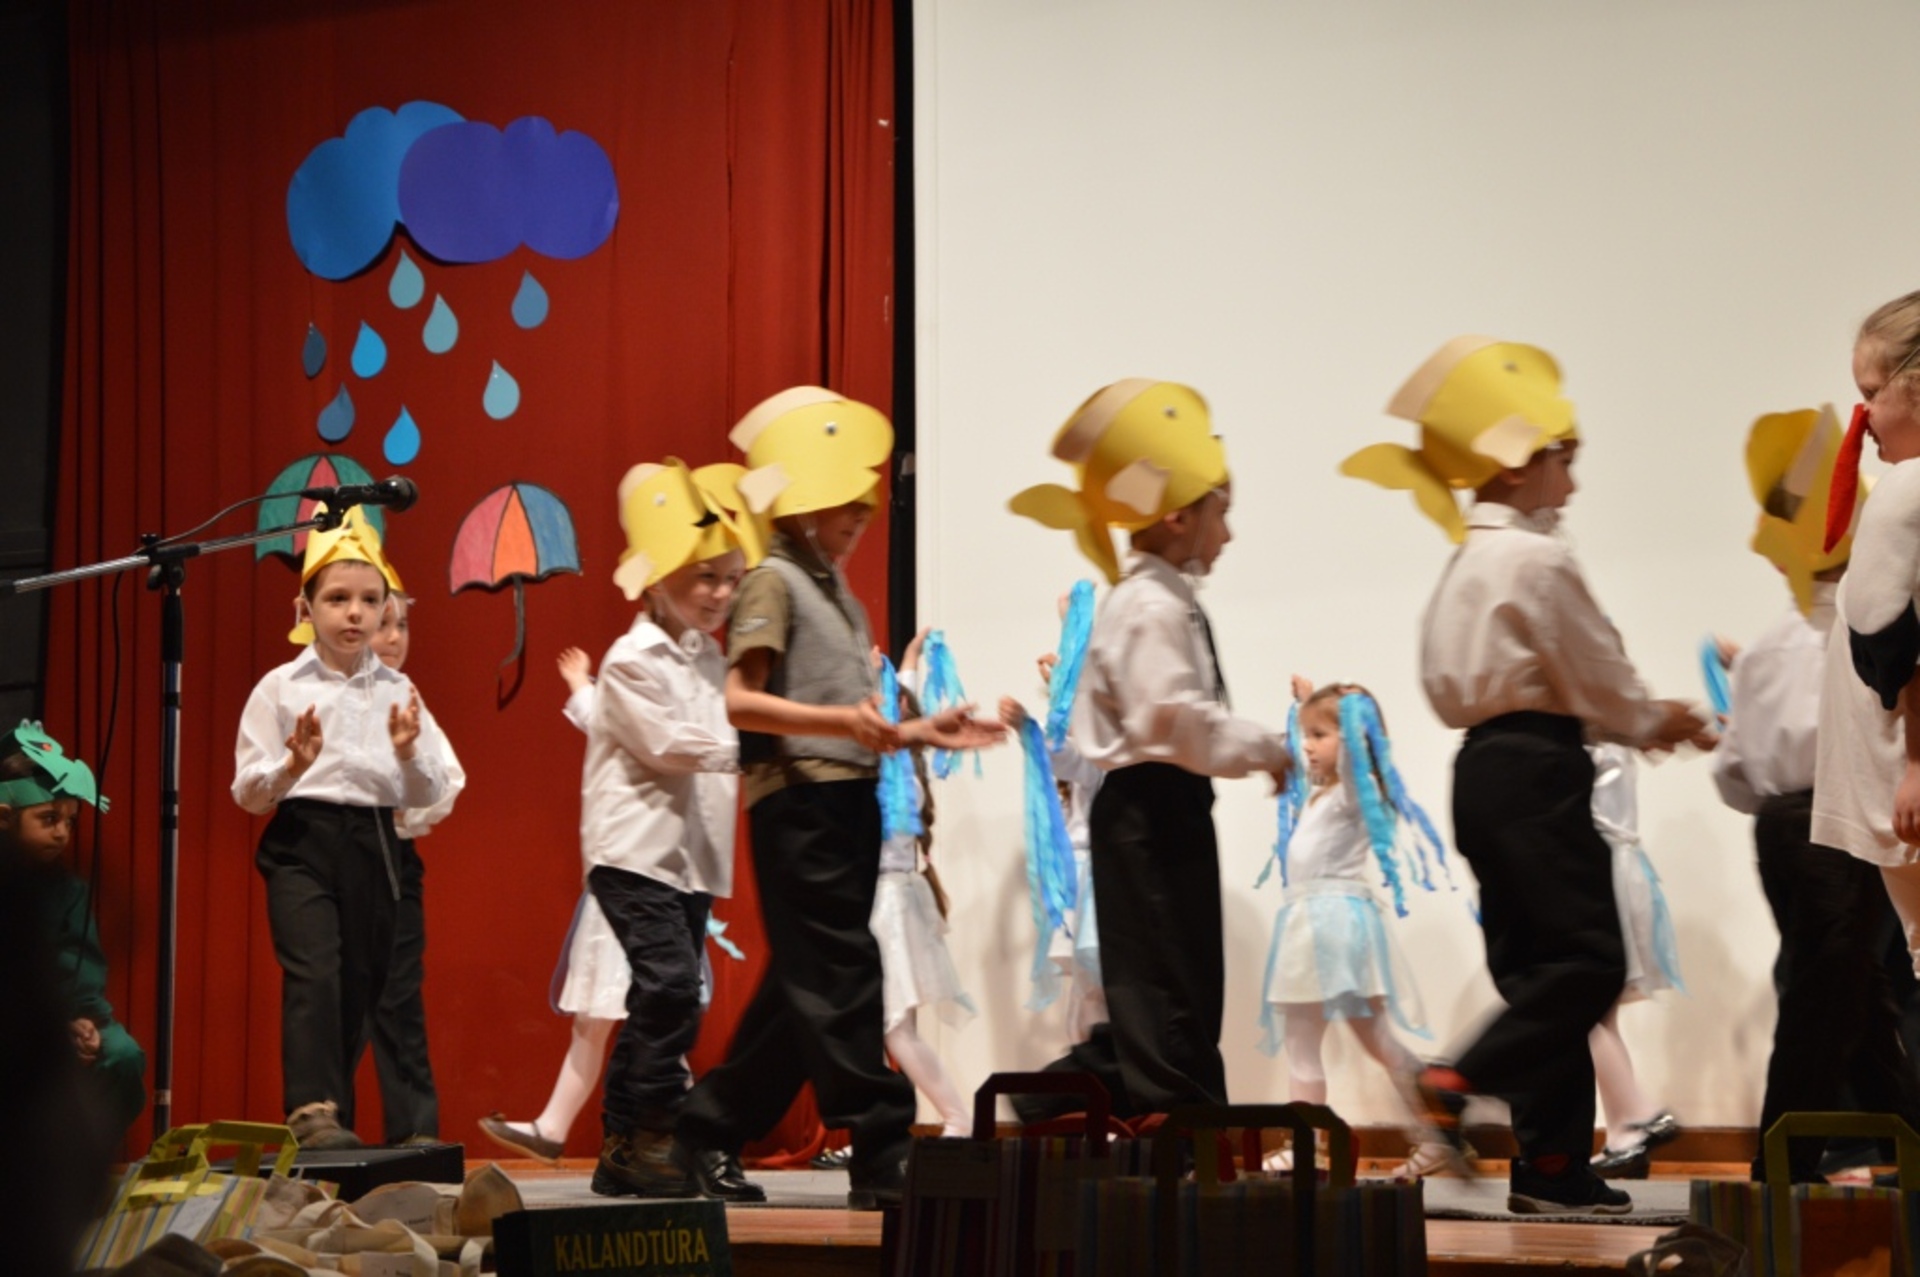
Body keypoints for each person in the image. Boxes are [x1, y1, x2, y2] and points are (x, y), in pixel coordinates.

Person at [1347, 335, 1712, 1214]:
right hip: (1538, 767)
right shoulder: (1536, 558)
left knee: (1538, 968)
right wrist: (1654, 718)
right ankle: (1453, 1081)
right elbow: (1591, 664)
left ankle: (1550, 1167)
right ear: (1515, 464)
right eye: (1564, 459)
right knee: (1588, 961)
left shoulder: (1465, 561)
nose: (1572, 484)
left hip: (1480, 768)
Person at [671, 387, 1004, 1211]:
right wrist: (844, 724)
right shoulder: (773, 582)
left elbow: (855, 724)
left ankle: (707, 1127)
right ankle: (883, 1143)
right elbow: (741, 702)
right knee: (845, 972)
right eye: (846, 498)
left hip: (846, 799)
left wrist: (923, 730)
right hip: (798, 804)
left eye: (865, 500)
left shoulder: (837, 594)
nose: (862, 513)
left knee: (806, 987)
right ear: (803, 500)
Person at [1010, 378, 1290, 1119]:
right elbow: (1171, 720)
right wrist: (1270, 747)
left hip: (1167, 802)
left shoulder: (1167, 600)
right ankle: (1181, 1140)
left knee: (1174, 983)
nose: (1226, 534)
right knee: (1167, 988)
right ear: (1176, 514)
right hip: (1148, 805)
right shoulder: (1148, 605)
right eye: (1219, 513)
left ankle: (1062, 1099)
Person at [1717, 402, 1920, 1183]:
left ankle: (1904, 1132)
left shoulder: (1765, 648)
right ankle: (1782, 1160)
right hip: (1834, 820)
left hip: (1777, 823)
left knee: (1853, 986)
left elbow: (1734, 774)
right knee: (1828, 987)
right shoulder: (1856, 629)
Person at [232, 505, 448, 1149]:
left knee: (363, 984)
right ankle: (310, 1110)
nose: (355, 613)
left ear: (386, 609)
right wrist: (290, 766)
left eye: (369, 600)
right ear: (306, 610)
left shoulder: (398, 690)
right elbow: (247, 794)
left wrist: (407, 754)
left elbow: (428, 792)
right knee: (315, 973)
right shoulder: (279, 687)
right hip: (303, 840)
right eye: (337, 599)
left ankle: (338, 1127)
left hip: (376, 841)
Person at [1256, 679, 1455, 1176]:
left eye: (1320, 735)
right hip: (1309, 922)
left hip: (1333, 924)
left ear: (1354, 738)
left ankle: (1436, 1130)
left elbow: (1354, 759)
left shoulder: (1354, 792)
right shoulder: (1322, 796)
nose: (1307, 746)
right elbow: (1311, 754)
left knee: (1368, 1039)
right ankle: (1312, 1142)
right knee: (1310, 1041)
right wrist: (1305, 709)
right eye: (1306, 735)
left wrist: (1342, 713)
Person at [477, 646, 619, 1164]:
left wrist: (581, 683)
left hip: (633, 877)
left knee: (637, 1020)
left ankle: (701, 1131)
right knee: (609, 1019)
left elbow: (606, 721)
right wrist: (582, 686)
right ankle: (553, 1126)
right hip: (619, 875)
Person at [1, 721, 143, 1138]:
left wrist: (81, 1021)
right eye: (49, 818)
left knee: (121, 1053)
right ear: (5, 817)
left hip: (52, 1020)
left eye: (70, 821)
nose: (62, 832)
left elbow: (81, 971)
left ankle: (70, 1163)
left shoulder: (69, 890)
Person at [366, 590, 465, 1145]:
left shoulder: (406, 695)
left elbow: (449, 777)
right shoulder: (320, 694)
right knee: (335, 1002)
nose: (394, 637)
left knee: (400, 998)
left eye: (402, 625)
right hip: (338, 853)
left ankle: (416, 1137)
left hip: (396, 856)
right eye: (384, 624)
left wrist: (409, 806)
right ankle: (325, 1136)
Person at [871, 634, 976, 1142]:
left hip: (888, 902)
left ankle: (956, 1118)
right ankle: (880, 1133)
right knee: (884, 1026)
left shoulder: (891, 773)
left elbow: (894, 717)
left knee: (895, 1028)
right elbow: (901, 704)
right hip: (892, 898)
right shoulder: (901, 766)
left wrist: (881, 676)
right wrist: (907, 661)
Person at [1584, 743, 1683, 1178]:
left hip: (1601, 872)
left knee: (1583, 1006)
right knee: (1598, 1012)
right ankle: (1623, 1133)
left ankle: (1638, 1116)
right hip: (1619, 867)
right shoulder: (1611, 737)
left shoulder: (1588, 741)